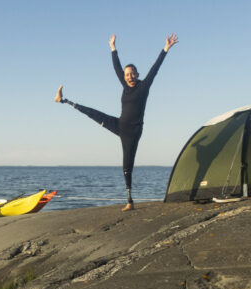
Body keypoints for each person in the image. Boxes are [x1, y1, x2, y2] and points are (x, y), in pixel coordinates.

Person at [56, 33, 178, 211]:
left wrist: (165, 49)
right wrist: (113, 48)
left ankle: (130, 201)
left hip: (133, 131)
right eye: (127, 74)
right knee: (94, 114)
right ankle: (63, 100)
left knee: (127, 164)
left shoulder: (144, 86)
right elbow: (116, 67)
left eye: (132, 74)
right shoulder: (124, 84)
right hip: (120, 124)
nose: (129, 77)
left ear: (137, 74)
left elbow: (155, 68)